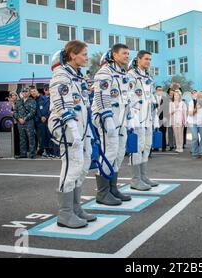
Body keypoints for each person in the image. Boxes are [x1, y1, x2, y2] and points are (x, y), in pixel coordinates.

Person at [48, 41, 96, 229]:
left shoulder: (76, 77)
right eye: (84, 54)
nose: (86, 57)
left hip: (81, 127)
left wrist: (87, 130)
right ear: (72, 55)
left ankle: (76, 207)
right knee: (71, 167)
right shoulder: (61, 75)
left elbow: (82, 105)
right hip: (68, 128)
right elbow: (61, 105)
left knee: (82, 167)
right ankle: (65, 213)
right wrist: (74, 130)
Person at [92, 44, 133, 206]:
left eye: (128, 53)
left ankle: (112, 188)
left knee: (119, 152)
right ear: (114, 55)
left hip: (120, 118)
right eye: (124, 53)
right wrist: (107, 118)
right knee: (109, 152)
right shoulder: (105, 72)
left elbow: (124, 97)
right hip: (106, 117)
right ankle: (102, 193)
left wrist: (129, 117)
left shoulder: (121, 73)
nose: (127, 56)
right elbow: (102, 97)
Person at [127, 50, 160, 191]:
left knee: (146, 147)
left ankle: (144, 176)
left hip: (148, 117)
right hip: (137, 117)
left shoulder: (148, 77)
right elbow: (128, 96)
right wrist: (132, 116)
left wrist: (154, 112)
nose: (148, 61)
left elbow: (150, 95)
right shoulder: (131, 75)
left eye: (150, 59)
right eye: (146, 59)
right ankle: (135, 179)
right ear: (138, 59)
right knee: (137, 147)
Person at [14, 88, 37, 159]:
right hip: (20, 122)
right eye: (23, 92)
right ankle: (23, 153)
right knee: (22, 138)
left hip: (29, 122)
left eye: (26, 92)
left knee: (31, 138)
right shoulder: (18, 101)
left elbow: (33, 112)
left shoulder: (32, 101)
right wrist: (18, 118)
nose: (24, 93)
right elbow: (15, 111)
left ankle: (32, 153)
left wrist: (25, 119)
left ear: (29, 93)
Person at [188, 91, 202, 159]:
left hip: (201, 123)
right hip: (192, 122)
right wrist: (196, 108)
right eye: (200, 97)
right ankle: (195, 153)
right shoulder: (192, 102)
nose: (201, 98)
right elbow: (190, 114)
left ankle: (201, 153)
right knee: (195, 138)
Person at [33, 86, 51, 157]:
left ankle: (50, 151)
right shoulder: (40, 98)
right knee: (41, 137)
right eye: (46, 89)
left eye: (48, 89)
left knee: (49, 136)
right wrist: (41, 117)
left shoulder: (54, 97)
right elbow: (37, 109)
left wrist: (46, 116)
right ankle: (42, 150)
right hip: (40, 121)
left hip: (49, 119)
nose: (47, 90)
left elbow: (51, 109)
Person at [155, 86, 167, 152]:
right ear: (156, 90)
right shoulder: (153, 98)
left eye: (161, 90)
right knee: (155, 132)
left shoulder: (165, 98)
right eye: (158, 90)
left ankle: (163, 147)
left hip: (163, 118)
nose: (160, 91)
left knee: (163, 133)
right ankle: (156, 147)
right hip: (155, 118)